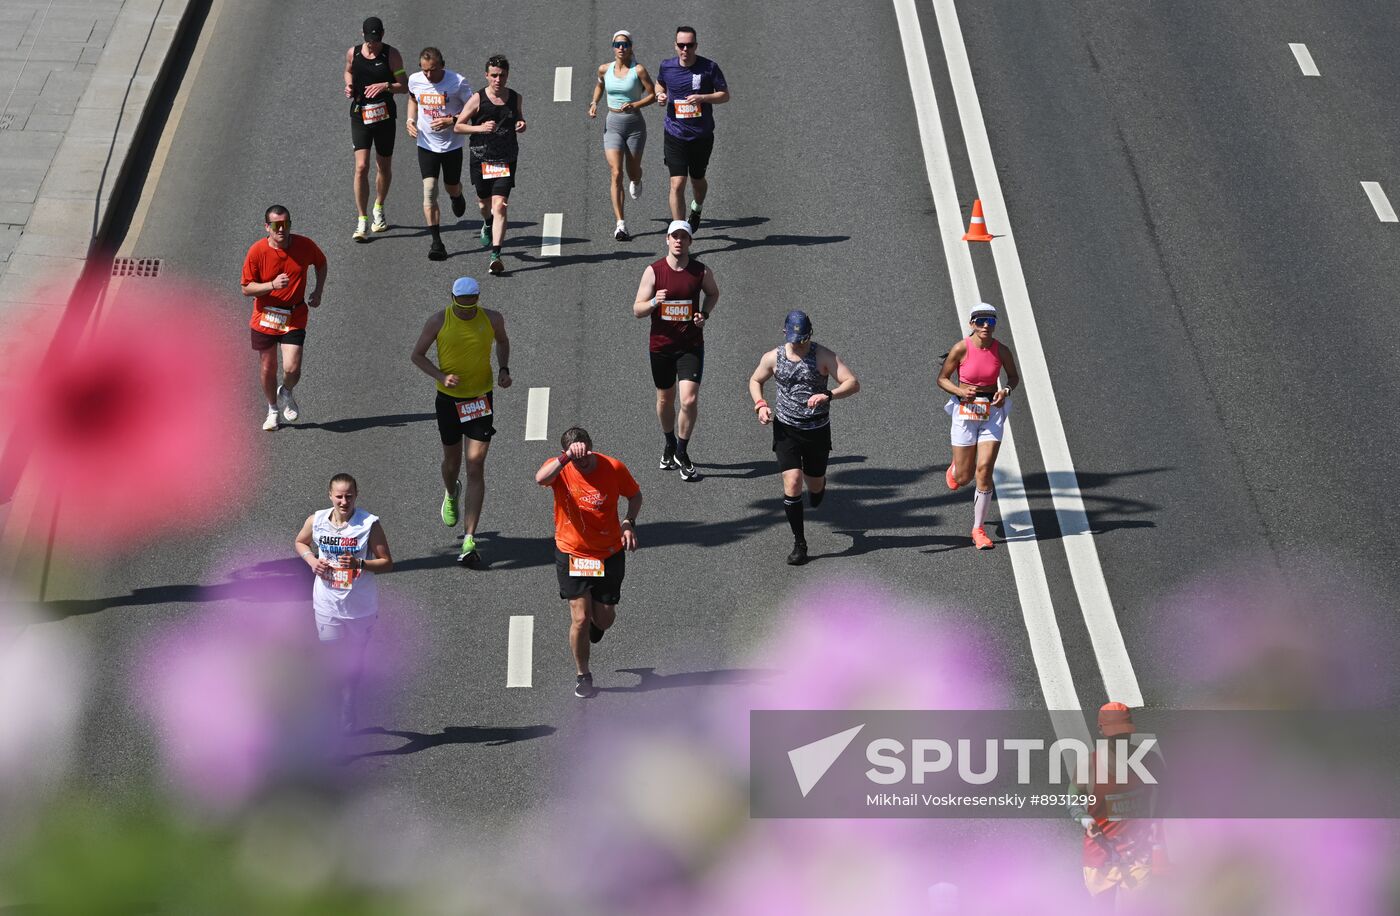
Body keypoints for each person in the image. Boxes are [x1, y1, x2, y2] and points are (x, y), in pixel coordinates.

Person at [410, 276, 511, 566]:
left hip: (480, 400)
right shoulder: (438, 321)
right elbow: (417, 356)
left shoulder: (492, 318)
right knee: (452, 463)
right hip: (449, 402)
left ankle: (469, 538)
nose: (466, 309)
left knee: (476, 464)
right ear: (452, 298)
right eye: (461, 304)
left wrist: (503, 369)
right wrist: (441, 376)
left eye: (471, 303)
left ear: (478, 298)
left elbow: (502, 341)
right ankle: (451, 491)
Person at [534, 427, 642, 699]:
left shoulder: (613, 467)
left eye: (585, 456)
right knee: (579, 618)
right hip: (574, 553)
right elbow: (540, 479)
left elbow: (635, 495)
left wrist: (629, 522)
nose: (582, 463)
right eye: (576, 457)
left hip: (608, 553)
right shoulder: (560, 467)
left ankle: (598, 623)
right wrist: (565, 459)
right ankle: (583, 675)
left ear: (591, 447)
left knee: (603, 619)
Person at [748, 310, 859, 565]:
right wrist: (760, 404)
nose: (799, 344)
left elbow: (852, 382)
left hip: (816, 430)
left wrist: (829, 395)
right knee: (793, 482)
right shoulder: (773, 357)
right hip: (786, 430)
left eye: (804, 339)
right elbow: (755, 380)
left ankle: (818, 489)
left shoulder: (822, 356)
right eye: (795, 339)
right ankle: (800, 543)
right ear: (785, 333)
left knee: (815, 484)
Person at [294, 473, 393, 732]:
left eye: (349, 496)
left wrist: (360, 563)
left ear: (356, 496)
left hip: (359, 607)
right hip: (327, 603)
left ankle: (348, 703)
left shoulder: (368, 524)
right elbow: (300, 541)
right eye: (338, 496)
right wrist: (312, 561)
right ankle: (339, 717)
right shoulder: (317, 520)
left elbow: (387, 563)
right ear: (330, 496)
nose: (343, 501)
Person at [631, 219, 718, 480]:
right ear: (667, 240)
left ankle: (681, 449)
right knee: (665, 400)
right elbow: (637, 309)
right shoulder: (654, 271)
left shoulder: (700, 271)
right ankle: (669, 442)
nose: (679, 241)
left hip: (690, 346)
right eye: (674, 236)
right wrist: (653, 303)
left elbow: (713, 294)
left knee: (689, 400)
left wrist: (704, 314)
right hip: (661, 347)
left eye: (684, 237)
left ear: (690, 241)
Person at [936, 302, 1021, 550]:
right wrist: (960, 390)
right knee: (963, 478)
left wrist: (1005, 390)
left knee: (984, 470)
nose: (986, 326)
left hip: (992, 412)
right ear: (972, 323)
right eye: (981, 321)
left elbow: (1013, 377)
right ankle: (956, 468)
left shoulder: (1001, 350)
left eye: (991, 322)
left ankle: (978, 529)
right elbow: (942, 379)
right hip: (965, 411)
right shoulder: (961, 348)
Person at [1070, 703, 1169, 908]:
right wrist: (1086, 820)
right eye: (1115, 735)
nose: (1121, 739)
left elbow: (1165, 795)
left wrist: (1154, 829)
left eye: (1124, 734)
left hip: (1137, 853)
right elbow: (1072, 799)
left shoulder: (1149, 761)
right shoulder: (1089, 765)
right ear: (1101, 731)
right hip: (1100, 855)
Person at [240, 205, 327, 431]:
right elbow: (246, 288)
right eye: (276, 225)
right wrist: (271, 285)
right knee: (268, 367)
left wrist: (318, 291)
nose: (282, 229)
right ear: (267, 227)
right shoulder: (257, 252)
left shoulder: (304, 246)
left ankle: (286, 391)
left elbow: (321, 263)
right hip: (265, 315)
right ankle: (273, 410)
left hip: (294, 315)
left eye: (285, 224)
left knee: (292, 368)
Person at [455, 55, 526, 276]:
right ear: (487, 75)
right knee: (484, 204)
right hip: (481, 159)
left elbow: (519, 119)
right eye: (493, 75)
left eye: (502, 75)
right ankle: (487, 222)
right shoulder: (478, 99)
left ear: (507, 75)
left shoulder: (515, 97)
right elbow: (458, 126)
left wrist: (521, 124)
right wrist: (480, 128)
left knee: (500, 206)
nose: (498, 79)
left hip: (506, 158)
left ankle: (496, 255)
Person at [653, 26, 729, 230]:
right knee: (677, 183)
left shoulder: (709, 68)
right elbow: (659, 84)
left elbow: (724, 95)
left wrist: (703, 98)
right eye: (681, 45)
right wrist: (659, 95)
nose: (685, 49)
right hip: (674, 133)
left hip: (701, 136)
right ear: (675, 46)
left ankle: (697, 208)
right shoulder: (667, 67)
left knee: (697, 180)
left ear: (696, 45)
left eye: (689, 45)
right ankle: (680, 230)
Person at [587, 30, 656, 241]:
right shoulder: (604, 69)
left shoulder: (639, 70)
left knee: (632, 172)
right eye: (617, 44)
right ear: (613, 47)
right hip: (613, 124)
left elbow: (653, 95)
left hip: (635, 125)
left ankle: (637, 178)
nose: (621, 48)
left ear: (631, 47)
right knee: (616, 172)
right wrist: (594, 103)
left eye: (625, 45)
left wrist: (635, 104)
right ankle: (620, 224)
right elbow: (600, 86)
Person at [406, 47, 474, 261]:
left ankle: (457, 196)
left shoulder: (458, 82)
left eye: (432, 70)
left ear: (442, 65)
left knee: (451, 185)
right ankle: (437, 242)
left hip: (452, 145)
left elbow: (473, 109)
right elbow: (412, 99)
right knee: (429, 190)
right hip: (426, 144)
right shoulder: (415, 80)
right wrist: (410, 120)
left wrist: (451, 120)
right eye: (424, 70)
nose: (428, 75)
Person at [344, 16, 407, 242]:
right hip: (360, 113)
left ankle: (378, 207)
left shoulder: (392, 55)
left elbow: (404, 86)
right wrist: (349, 85)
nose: (373, 44)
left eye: (377, 39)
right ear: (363, 36)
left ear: (382, 34)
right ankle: (362, 220)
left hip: (384, 116)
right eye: (370, 40)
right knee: (361, 166)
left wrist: (386, 85)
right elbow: (348, 71)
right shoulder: (354, 53)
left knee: (383, 165)